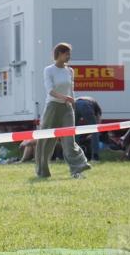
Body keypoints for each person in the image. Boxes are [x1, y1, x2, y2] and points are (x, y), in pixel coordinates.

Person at [34, 43, 91, 180]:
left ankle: (77, 168)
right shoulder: (49, 70)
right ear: (59, 54)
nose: (69, 57)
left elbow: (71, 90)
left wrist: (73, 103)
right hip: (52, 107)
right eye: (67, 54)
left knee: (69, 140)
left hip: (67, 108)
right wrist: (65, 97)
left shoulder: (70, 71)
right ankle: (42, 170)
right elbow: (50, 90)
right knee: (47, 140)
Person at [74, 96, 103, 160]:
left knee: (74, 131)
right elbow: (99, 121)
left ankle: (74, 155)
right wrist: (95, 133)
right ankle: (95, 156)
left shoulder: (89, 100)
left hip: (75, 103)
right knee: (95, 131)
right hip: (86, 105)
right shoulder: (97, 107)